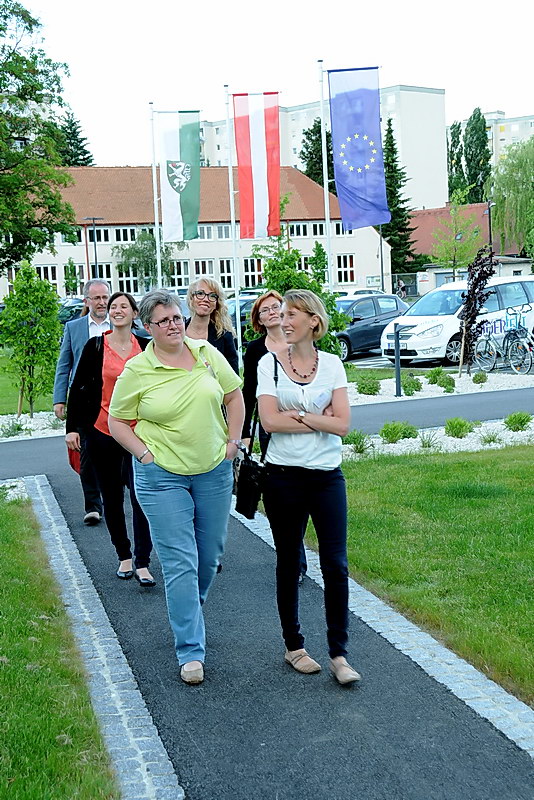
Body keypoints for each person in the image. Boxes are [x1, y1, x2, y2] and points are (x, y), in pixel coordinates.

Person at [108, 290, 244, 685]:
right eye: (163, 321)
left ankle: (187, 611)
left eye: (176, 318)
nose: (172, 326)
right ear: (147, 327)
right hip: (161, 477)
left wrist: (233, 443)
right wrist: (145, 455)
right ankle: (190, 650)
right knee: (181, 561)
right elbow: (117, 421)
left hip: (213, 470)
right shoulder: (138, 369)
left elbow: (234, 396)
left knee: (209, 556)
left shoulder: (205, 353)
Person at [257, 289, 361, 685]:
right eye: (281, 315)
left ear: (313, 321)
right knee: (288, 562)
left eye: (291, 315)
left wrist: (298, 414)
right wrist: (319, 417)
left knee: (336, 565)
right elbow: (269, 421)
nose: (283, 321)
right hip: (283, 476)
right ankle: (294, 646)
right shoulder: (269, 364)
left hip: (326, 476)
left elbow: (343, 425)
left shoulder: (332, 364)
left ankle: (339, 654)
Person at [65, 292, 155, 586]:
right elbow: (79, 388)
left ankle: (143, 561)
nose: (117, 310)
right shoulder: (95, 346)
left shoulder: (146, 346)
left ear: (134, 313)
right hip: (102, 431)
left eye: (123, 306)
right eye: (113, 306)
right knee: (112, 497)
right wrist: (73, 428)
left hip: (139, 434)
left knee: (141, 497)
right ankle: (124, 555)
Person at [242, 290, 308, 583]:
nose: (270, 312)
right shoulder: (256, 350)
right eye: (264, 310)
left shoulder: (300, 341)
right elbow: (248, 394)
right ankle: (291, 557)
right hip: (271, 430)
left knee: (303, 493)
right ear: (259, 319)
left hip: (304, 427)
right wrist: (245, 434)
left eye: (275, 307)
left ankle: (295, 552)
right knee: (280, 496)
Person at [53, 279, 111, 525]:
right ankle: (93, 506)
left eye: (105, 297)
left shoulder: (121, 324)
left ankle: (115, 495)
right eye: (96, 298)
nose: (102, 302)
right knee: (87, 451)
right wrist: (59, 399)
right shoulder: (74, 328)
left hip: (114, 398)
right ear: (87, 301)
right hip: (85, 400)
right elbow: (64, 364)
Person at [185, 278, 239, 374]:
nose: (206, 299)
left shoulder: (224, 337)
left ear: (216, 304)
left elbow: (233, 376)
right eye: (200, 293)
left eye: (212, 296)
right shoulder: (177, 332)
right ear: (191, 298)